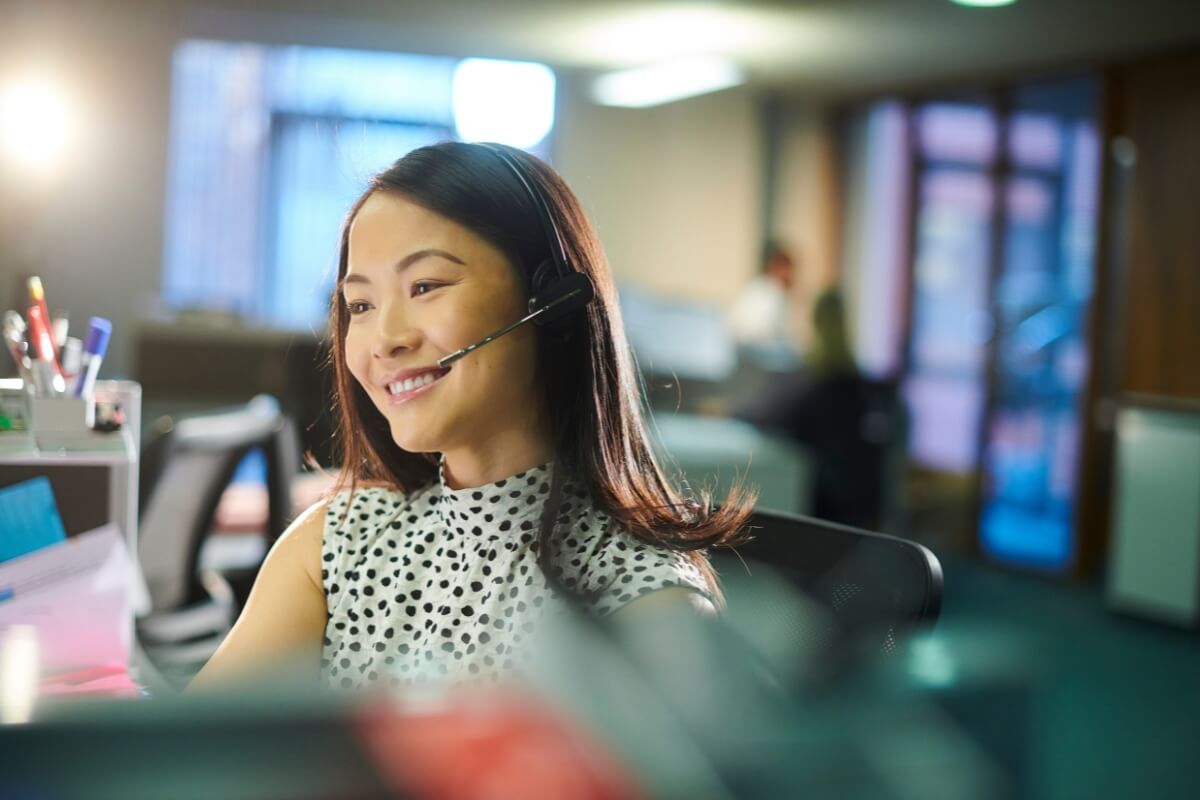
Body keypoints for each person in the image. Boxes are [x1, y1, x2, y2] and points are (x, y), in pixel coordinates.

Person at [190, 142, 754, 691]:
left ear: (549, 303)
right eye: (360, 305)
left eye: (426, 286)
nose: (385, 339)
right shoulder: (336, 545)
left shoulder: (645, 606)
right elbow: (174, 758)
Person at [736, 288, 900, 529]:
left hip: (817, 507)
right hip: (857, 512)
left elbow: (769, 415)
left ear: (814, 323)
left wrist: (729, 413)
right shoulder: (864, 386)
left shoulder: (812, 384)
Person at [726, 241, 802, 367]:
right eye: (788, 269)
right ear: (777, 268)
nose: (791, 275)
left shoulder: (756, 287)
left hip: (742, 352)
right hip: (756, 354)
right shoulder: (774, 292)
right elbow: (769, 335)